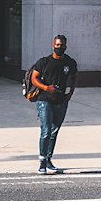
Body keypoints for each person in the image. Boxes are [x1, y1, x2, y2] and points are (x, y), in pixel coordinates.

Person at [30, 34, 77, 173]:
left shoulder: (70, 62)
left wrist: (70, 93)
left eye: (61, 45)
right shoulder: (44, 62)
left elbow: (74, 77)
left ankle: (49, 159)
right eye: (57, 45)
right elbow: (34, 78)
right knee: (46, 130)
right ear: (53, 46)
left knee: (54, 131)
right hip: (44, 100)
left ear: (65, 46)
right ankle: (42, 162)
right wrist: (46, 88)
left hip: (61, 101)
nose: (59, 47)